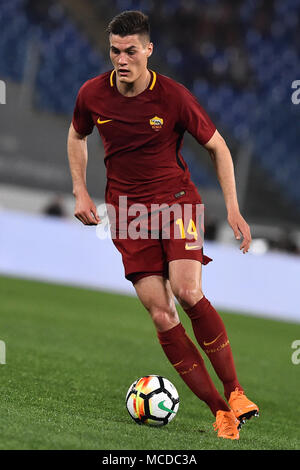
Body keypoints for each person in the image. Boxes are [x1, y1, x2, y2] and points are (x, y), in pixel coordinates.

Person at [67, 10, 259, 440]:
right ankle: (219, 411)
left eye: (131, 51)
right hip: (129, 215)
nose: (121, 59)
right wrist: (80, 189)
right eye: (115, 50)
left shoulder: (172, 97)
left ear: (148, 50)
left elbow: (219, 148)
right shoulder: (92, 94)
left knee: (188, 291)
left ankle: (236, 390)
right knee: (161, 313)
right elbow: (77, 134)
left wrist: (232, 208)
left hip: (176, 204)